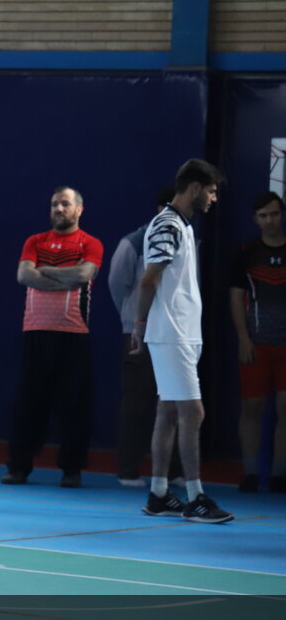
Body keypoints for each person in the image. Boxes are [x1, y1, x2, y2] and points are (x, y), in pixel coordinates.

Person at [133, 158, 232, 523]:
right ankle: (195, 498)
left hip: (182, 333)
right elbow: (149, 279)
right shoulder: (168, 225)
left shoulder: (181, 226)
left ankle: (159, 493)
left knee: (170, 411)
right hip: (172, 333)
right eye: (211, 191)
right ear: (194, 188)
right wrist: (139, 323)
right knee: (193, 411)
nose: (213, 198)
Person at [3, 187, 103, 489]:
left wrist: (44, 271)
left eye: (65, 204)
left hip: (73, 334)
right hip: (36, 333)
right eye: (54, 204)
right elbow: (24, 276)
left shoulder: (90, 243)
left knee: (74, 406)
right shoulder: (35, 242)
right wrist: (64, 275)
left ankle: (72, 470)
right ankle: (19, 467)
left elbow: (84, 275)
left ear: (79, 210)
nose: (59, 209)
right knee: (28, 404)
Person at [109, 185, 182, 487]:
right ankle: (128, 470)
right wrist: (132, 320)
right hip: (139, 333)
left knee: (175, 403)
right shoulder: (133, 243)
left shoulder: (187, 241)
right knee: (137, 403)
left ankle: (173, 471)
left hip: (174, 334)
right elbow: (117, 284)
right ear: (160, 209)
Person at [229, 191, 286, 493]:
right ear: (255, 219)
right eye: (263, 216)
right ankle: (250, 473)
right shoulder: (246, 252)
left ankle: (279, 475)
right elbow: (236, 297)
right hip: (256, 344)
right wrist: (243, 338)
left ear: (282, 215)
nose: (270, 220)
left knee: (285, 407)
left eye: (274, 214)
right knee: (252, 407)